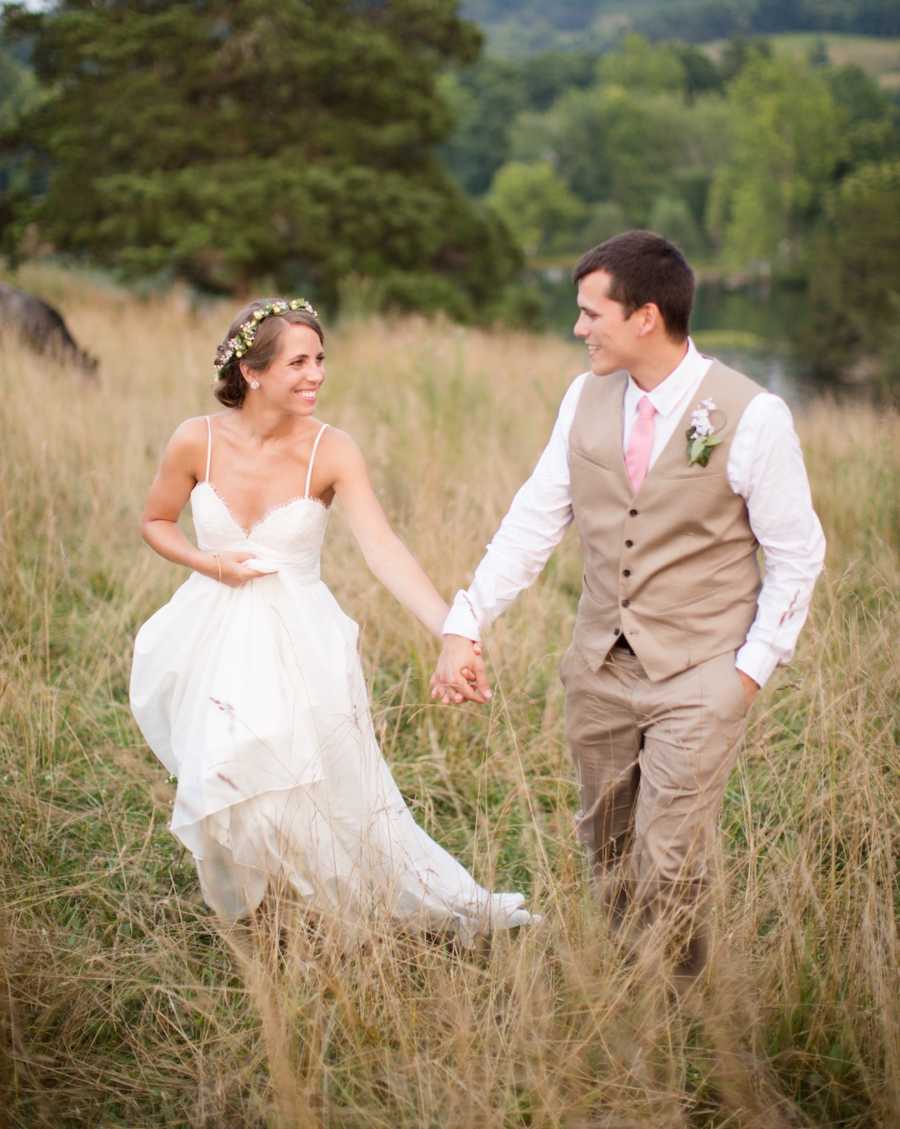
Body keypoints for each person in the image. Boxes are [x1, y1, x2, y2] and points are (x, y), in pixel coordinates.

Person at [431, 231, 825, 978]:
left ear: (645, 316)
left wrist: (747, 672)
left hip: (701, 676)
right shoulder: (584, 397)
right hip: (599, 671)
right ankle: (623, 989)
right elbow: (535, 519)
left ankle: (680, 1012)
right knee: (606, 847)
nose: (579, 329)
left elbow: (798, 553)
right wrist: (466, 618)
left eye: (590, 313)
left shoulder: (755, 414)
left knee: (669, 856)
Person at [130, 297, 538, 943]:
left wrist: (452, 628)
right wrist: (208, 562)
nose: (315, 373)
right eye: (298, 362)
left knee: (314, 791)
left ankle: (332, 916)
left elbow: (383, 549)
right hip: (212, 632)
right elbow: (155, 521)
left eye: (320, 359)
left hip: (301, 641)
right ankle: (265, 919)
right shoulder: (195, 439)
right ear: (253, 372)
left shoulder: (333, 449)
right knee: (230, 779)